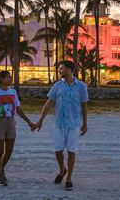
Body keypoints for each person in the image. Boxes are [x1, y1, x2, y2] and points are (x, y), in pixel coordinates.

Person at [34, 60, 88, 191]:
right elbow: (48, 104)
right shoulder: (57, 86)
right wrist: (40, 120)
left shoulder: (81, 86)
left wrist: (85, 123)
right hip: (59, 123)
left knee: (71, 151)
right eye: (59, 69)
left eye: (61, 69)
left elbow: (84, 105)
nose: (59, 71)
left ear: (69, 70)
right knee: (58, 151)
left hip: (74, 124)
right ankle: (62, 169)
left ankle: (69, 178)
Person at [0, 70, 35, 186]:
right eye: (8, 77)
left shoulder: (13, 92)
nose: (10, 79)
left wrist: (28, 121)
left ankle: (0, 168)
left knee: (9, 150)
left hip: (11, 122)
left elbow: (17, 109)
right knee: (0, 151)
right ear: (1, 79)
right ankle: (0, 176)